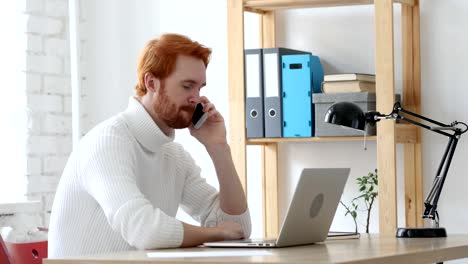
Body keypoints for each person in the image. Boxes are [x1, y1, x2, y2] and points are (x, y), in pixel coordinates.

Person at [48, 33, 251, 258]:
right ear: (151, 82)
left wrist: (219, 147)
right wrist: (216, 234)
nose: (196, 99)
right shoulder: (108, 142)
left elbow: (238, 227)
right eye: (187, 86)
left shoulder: (174, 156)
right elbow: (144, 230)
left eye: (200, 88)